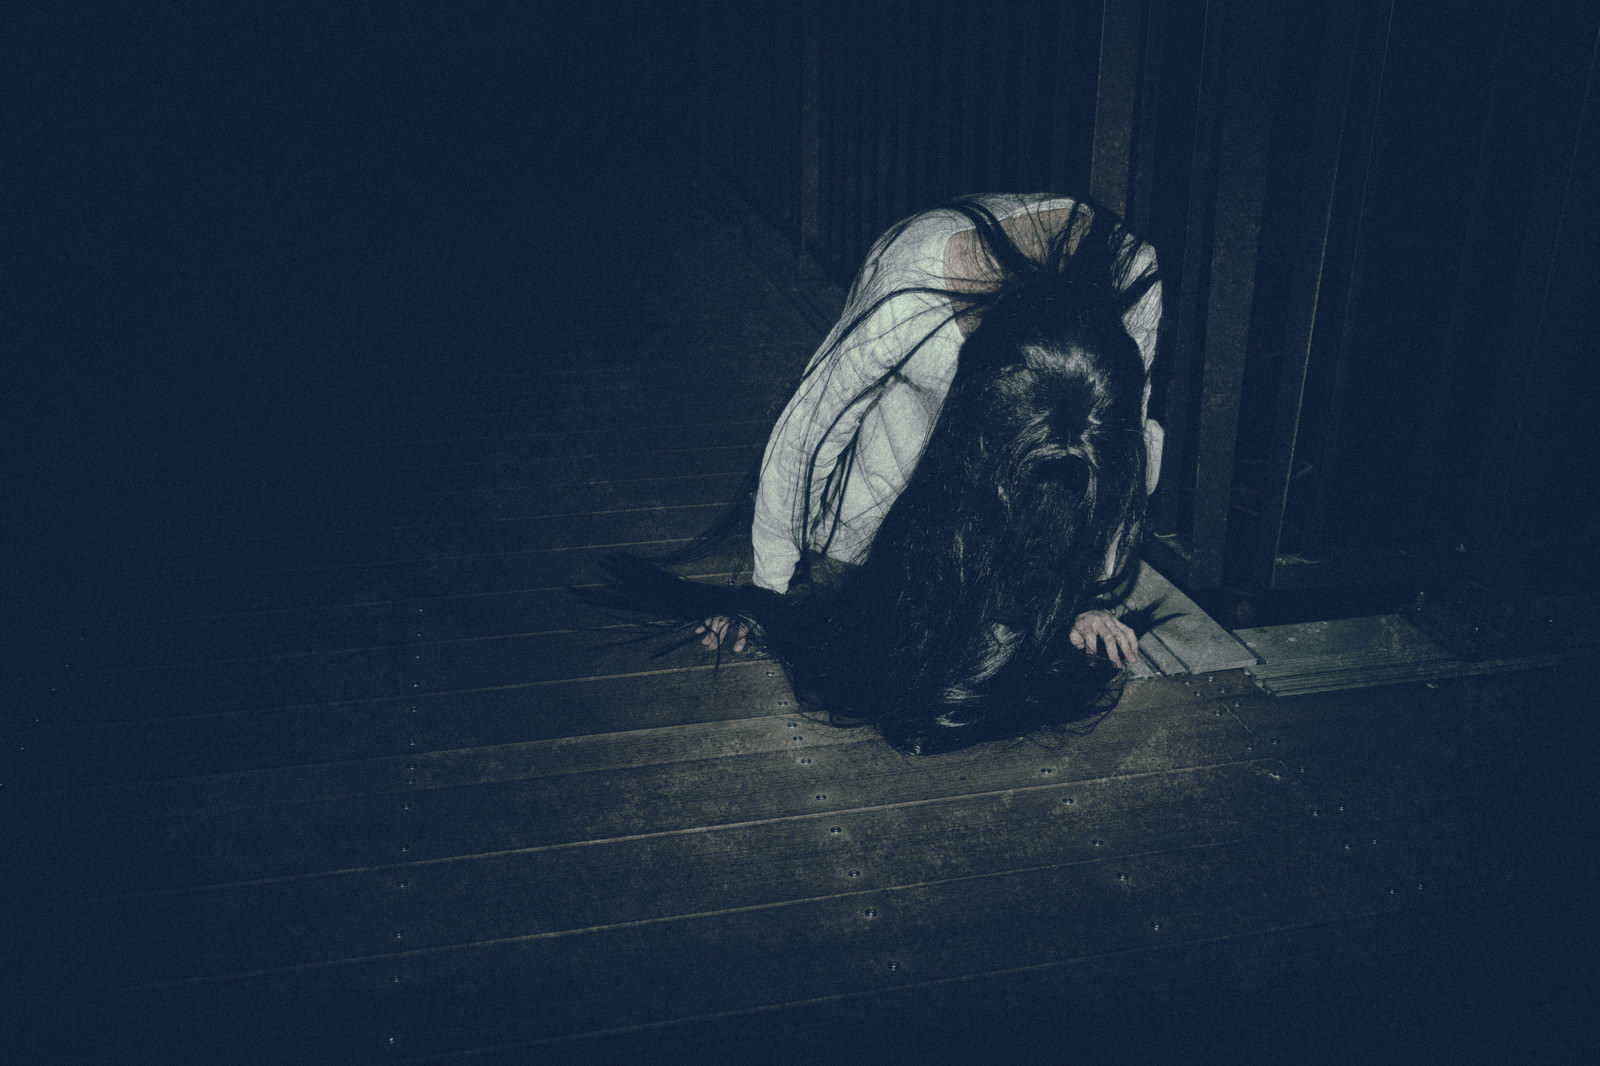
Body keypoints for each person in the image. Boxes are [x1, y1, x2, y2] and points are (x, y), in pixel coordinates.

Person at [600, 193, 1163, 754]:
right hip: (898, 457)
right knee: (882, 600)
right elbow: (806, 432)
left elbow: (1115, 458)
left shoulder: (1134, 282)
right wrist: (765, 592)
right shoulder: (907, 289)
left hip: (1017, 445)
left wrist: (1086, 596)